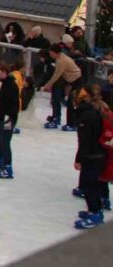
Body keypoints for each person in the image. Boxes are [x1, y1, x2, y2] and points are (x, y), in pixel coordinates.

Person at [73, 86, 107, 228]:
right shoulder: (97, 111)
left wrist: (79, 159)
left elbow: (85, 141)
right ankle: (96, 210)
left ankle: (95, 213)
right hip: (100, 154)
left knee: (88, 185)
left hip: (92, 156)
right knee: (94, 184)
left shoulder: (86, 117)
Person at [41, 45, 83, 131]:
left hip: (76, 81)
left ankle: (72, 124)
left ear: (56, 53)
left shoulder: (61, 61)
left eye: (51, 53)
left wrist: (47, 85)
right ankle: (57, 118)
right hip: (69, 80)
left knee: (71, 103)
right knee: (59, 98)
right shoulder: (60, 58)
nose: (50, 55)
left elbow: (56, 75)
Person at [0, 63, 19, 180]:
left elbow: (12, 104)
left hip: (8, 118)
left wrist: (7, 117)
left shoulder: (11, 85)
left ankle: (8, 167)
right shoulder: (5, 83)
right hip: (3, 116)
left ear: (3, 72)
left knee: (5, 141)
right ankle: (0, 160)